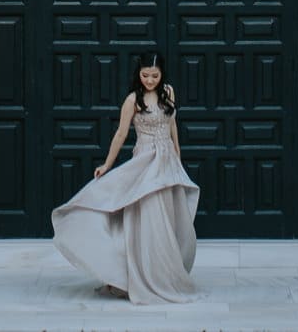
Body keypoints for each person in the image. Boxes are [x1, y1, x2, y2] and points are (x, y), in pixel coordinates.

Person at [51, 50, 202, 304]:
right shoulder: (133, 100)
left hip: (167, 164)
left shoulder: (169, 93)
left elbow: (173, 124)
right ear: (138, 74)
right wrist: (107, 165)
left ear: (161, 73)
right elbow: (120, 135)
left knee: (168, 220)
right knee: (149, 220)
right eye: (145, 75)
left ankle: (165, 274)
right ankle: (141, 276)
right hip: (145, 161)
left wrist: (177, 152)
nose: (150, 80)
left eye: (155, 75)